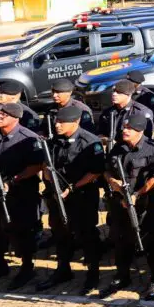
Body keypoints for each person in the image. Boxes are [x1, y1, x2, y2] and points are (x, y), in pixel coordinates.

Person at [0, 96, 45, 290]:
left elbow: (36, 165)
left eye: (3, 115)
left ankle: (27, 268)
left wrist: (13, 181)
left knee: (21, 230)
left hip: (19, 192)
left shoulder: (29, 138)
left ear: (15, 118)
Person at [102, 110, 154, 300]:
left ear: (140, 130)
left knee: (152, 242)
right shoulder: (117, 148)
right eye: (124, 127)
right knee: (121, 241)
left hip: (144, 205)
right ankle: (122, 276)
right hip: (120, 204)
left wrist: (137, 194)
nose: (125, 130)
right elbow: (107, 171)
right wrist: (114, 184)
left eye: (130, 128)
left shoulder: (151, 149)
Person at [39, 101, 105, 294]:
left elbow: (96, 172)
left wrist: (72, 187)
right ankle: (63, 269)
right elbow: (46, 165)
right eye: (56, 121)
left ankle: (93, 273)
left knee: (87, 234)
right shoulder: (53, 141)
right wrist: (50, 180)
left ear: (75, 122)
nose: (57, 125)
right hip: (57, 195)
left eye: (62, 122)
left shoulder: (91, 142)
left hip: (82, 195)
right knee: (60, 233)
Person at [98, 79, 154, 149]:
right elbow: (100, 133)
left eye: (119, 92)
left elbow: (146, 140)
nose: (114, 94)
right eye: (114, 91)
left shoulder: (141, 112)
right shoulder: (107, 113)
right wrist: (106, 140)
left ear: (129, 95)